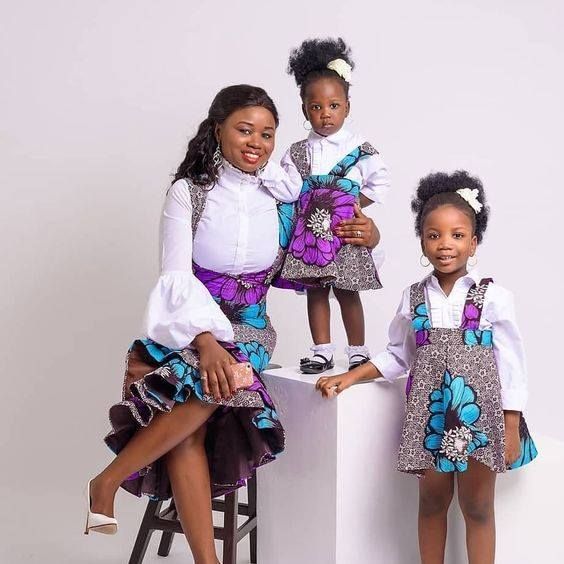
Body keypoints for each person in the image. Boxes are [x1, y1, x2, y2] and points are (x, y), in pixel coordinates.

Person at [85, 85, 300, 564]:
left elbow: (329, 253)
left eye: (267, 134)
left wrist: (371, 234)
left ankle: (107, 480)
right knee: (195, 411)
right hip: (187, 327)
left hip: (249, 330)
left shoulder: (282, 200)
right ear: (218, 129)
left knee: (212, 386)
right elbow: (176, 277)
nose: (256, 142)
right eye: (245, 129)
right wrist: (205, 341)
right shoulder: (189, 193)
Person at [316, 170, 537, 564]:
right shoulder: (413, 297)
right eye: (434, 235)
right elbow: (397, 356)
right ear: (422, 241)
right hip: (430, 417)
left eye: (457, 235)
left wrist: (510, 424)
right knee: (432, 503)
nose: (445, 244)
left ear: (474, 242)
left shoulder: (494, 298)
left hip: (480, 418)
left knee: (478, 507)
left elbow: (512, 365)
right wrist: (350, 376)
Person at [279, 37, 391, 374]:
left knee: (347, 291)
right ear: (304, 110)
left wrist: (350, 203)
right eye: (316, 107)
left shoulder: (360, 148)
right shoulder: (298, 152)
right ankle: (322, 351)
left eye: (333, 105)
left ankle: (357, 350)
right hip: (311, 236)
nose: (325, 114)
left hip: (343, 233)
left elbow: (380, 183)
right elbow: (288, 190)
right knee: (316, 291)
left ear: (347, 107)